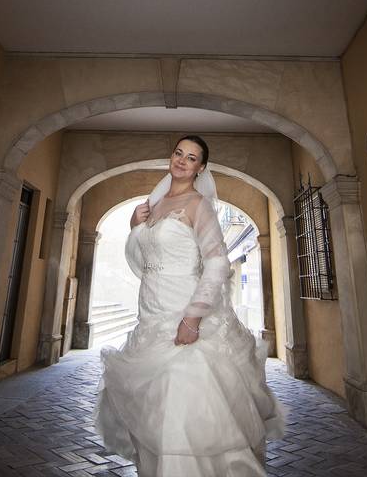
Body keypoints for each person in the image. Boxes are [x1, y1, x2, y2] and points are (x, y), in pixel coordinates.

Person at [94, 135, 285, 477]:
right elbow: (141, 262)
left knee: (182, 407)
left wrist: (193, 317)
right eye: (179, 153)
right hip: (150, 314)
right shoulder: (154, 205)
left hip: (183, 313)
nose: (182, 160)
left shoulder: (199, 204)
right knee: (155, 411)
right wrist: (135, 227)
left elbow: (217, 262)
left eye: (192, 157)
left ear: (201, 168)